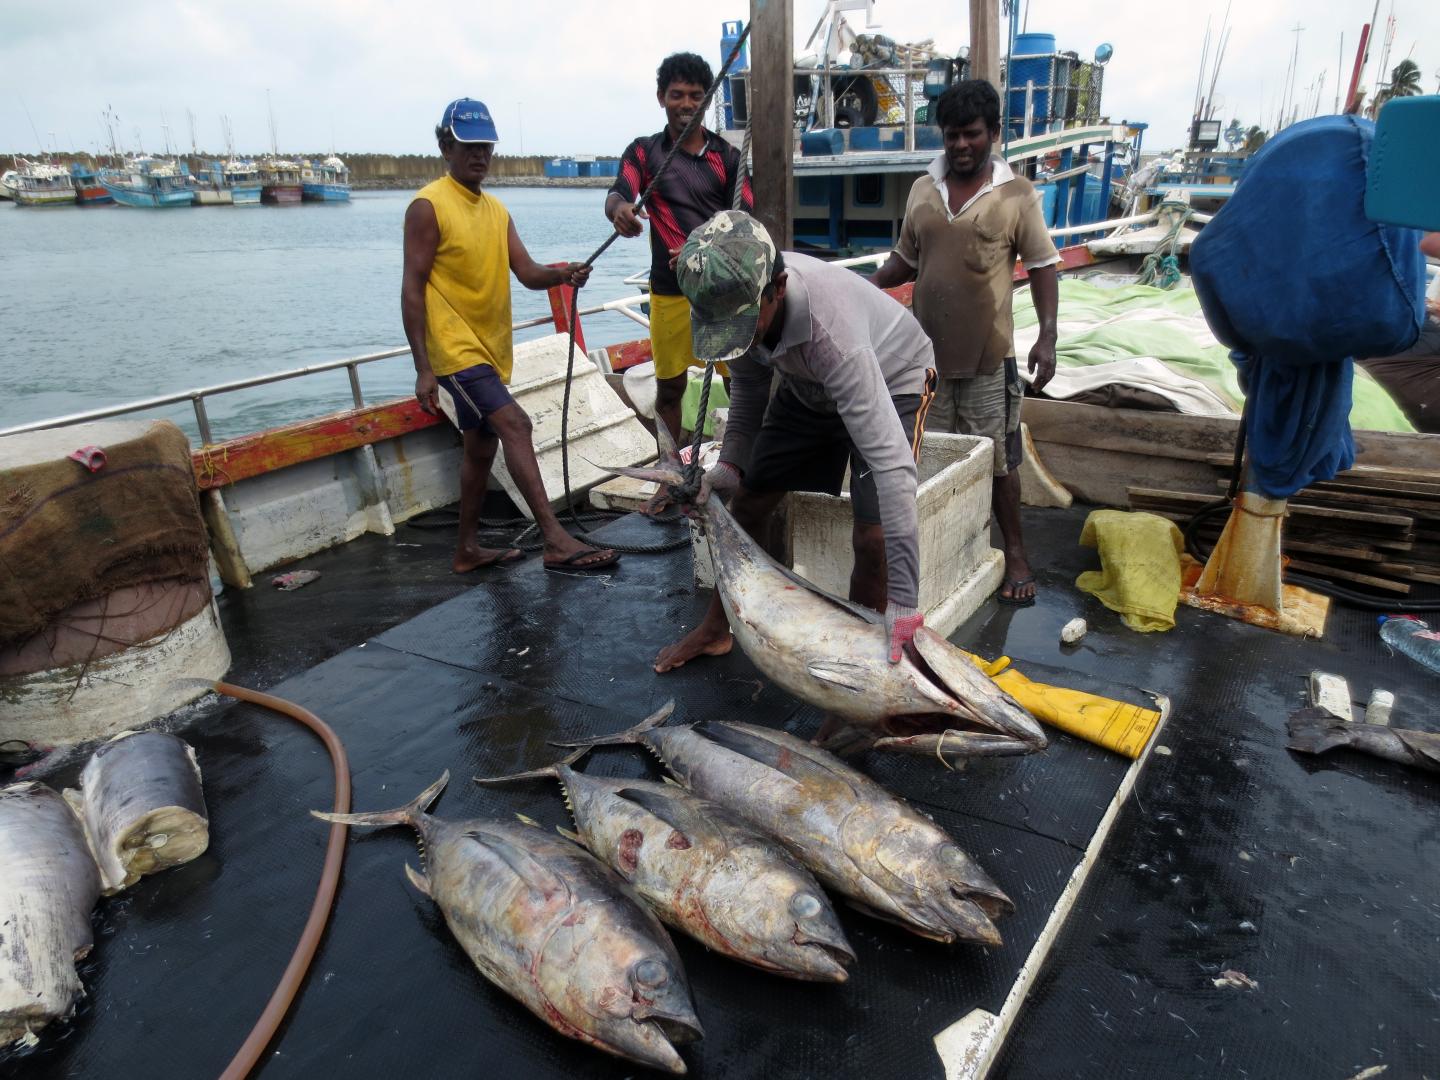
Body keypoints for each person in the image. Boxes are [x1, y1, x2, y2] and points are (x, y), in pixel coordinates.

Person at [654, 211, 936, 674]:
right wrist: (729, 467)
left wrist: (905, 601)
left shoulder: (835, 337)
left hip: (892, 378)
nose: (737, 337)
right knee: (747, 504)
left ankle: (859, 671)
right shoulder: (729, 303)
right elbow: (748, 388)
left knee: (872, 536)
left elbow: (894, 470)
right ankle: (717, 629)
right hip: (805, 383)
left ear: (778, 287)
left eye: (745, 325)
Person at [401, 97, 619, 574]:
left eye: (486, 147)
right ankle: (555, 539)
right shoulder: (428, 206)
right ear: (445, 145)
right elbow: (412, 289)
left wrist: (563, 275)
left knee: (482, 448)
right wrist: (423, 368)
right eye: (468, 146)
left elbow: (526, 272)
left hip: (489, 350)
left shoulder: (497, 212)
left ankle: (466, 550)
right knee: (516, 425)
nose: (479, 155)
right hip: (453, 351)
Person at [870, 79, 1060, 606]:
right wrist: (862, 288)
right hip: (923, 361)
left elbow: (1043, 266)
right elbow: (904, 261)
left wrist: (1047, 336)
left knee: (998, 461)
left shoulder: (1016, 194)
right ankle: (934, 555)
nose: (960, 146)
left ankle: (1015, 552)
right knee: (927, 460)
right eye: (952, 135)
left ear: (994, 134)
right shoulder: (921, 190)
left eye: (972, 135)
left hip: (987, 358)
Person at [606, 52, 754, 447]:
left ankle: (740, 468)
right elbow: (620, 190)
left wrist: (703, 249)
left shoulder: (728, 157)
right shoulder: (643, 152)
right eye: (676, 95)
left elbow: (746, 224)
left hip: (722, 297)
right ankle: (669, 474)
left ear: (707, 100)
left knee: (740, 387)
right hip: (669, 293)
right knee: (669, 391)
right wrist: (620, 210)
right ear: (661, 97)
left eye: (695, 96)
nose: (686, 104)